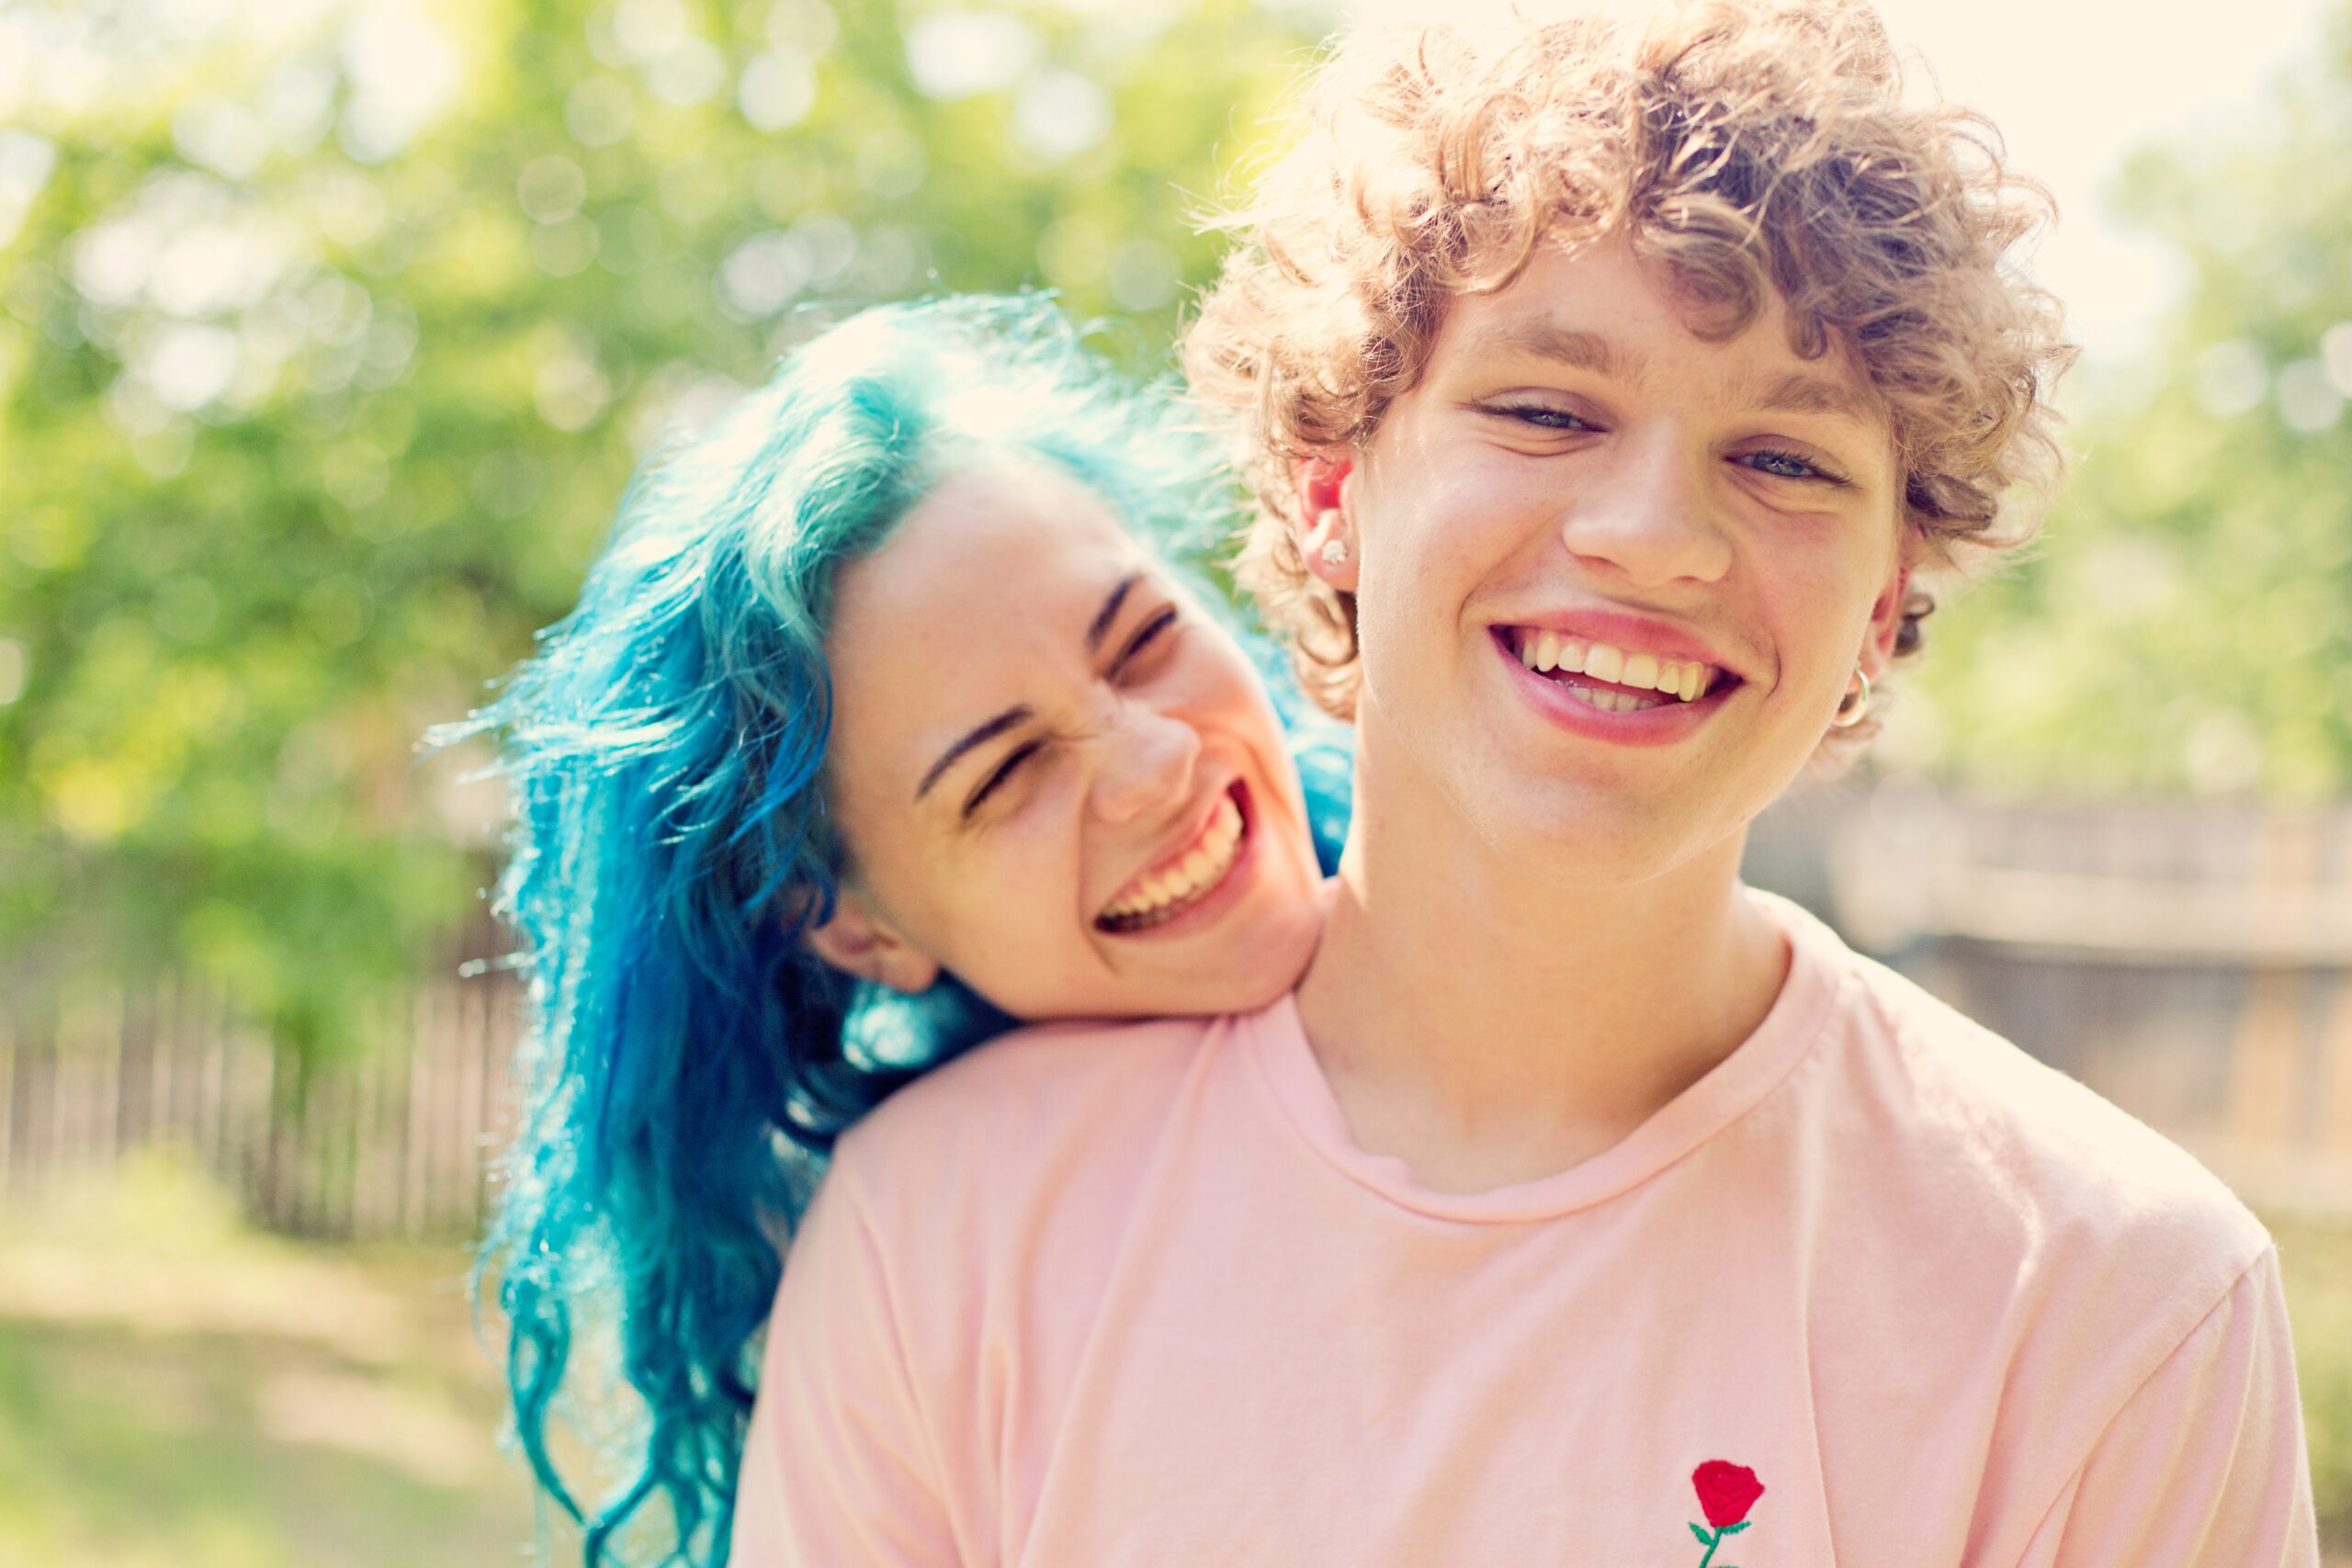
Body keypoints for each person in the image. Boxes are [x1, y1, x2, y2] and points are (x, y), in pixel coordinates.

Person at [731, 3, 2321, 1564]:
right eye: (1547, 410)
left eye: (1786, 460)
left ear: (1888, 599)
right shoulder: (940, 1238)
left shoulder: (2118, 1304)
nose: (1657, 534)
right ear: (1336, 490)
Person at [435, 295, 1340, 1568]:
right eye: (1005, 773)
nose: (1153, 764)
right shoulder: (923, 1244)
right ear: (857, 930)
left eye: (1143, 641)